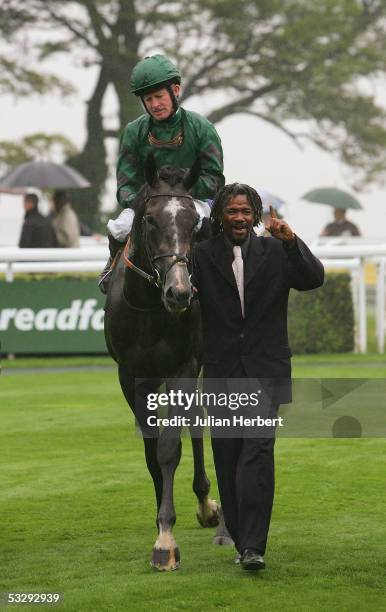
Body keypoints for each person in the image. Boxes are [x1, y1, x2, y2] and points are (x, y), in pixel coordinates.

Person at [192, 183, 324, 571]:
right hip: (221, 373)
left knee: (258, 453)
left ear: (256, 216)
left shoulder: (276, 251)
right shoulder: (201, 255)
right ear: (221, 215)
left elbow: (313, 278)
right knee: (228, 458)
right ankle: (238, 535)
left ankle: (253, 547)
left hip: (266, 371)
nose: (239, 218)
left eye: (246, 212)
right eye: (232, 211)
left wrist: (292, 240)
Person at [99, 54, 224, 293]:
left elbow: (214, 178)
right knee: (119, 228)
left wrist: (178, 193)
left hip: (192, 200)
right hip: (148, 202)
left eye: (159, 96)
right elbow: (125, 184)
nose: (155, 104)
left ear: (175, 90)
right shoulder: (134, 132)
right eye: (149, 99)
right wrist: (147, 199)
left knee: (205, 227)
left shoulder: (202, 128)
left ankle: (215, 285)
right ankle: (112, 272)